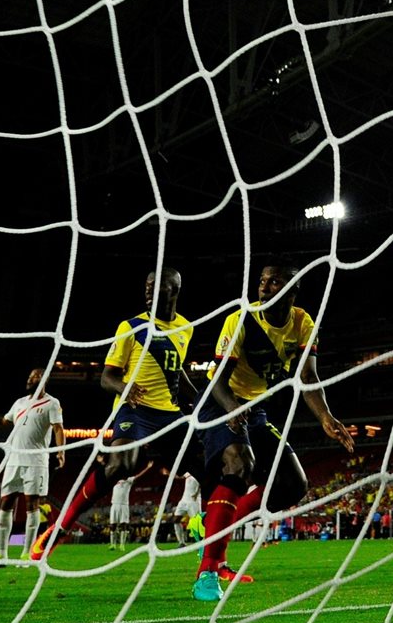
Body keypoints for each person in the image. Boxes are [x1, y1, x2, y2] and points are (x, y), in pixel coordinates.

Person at [192, 258, 355, 601]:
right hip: (220, 401)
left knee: (293, 485)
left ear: (293, 291)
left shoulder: (302, 322)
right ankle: (207, 571)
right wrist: (233, 409)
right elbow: (218, 380)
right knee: (239, 464)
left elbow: (308, 376)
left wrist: (325, 416)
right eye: (262, 281)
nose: (264, 288)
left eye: (274, 282)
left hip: (254, 408)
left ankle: (211, 520)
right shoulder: (240, 319)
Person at [30, 268, 194, 561]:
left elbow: (175, 369)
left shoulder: (186, 328)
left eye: (156, 286)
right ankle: (59, 528)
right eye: (146, 285)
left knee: (208, 468)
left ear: (174, 290)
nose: (147, 291)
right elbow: (107, 377)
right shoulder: (130, 327)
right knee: (120, 465)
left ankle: (211, 556)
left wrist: (201, 400)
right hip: (133, 410)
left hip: (169, 414)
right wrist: (125, 388)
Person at [0, 366, 65, 565]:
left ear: (43, 381)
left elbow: (58, 428)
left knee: (32, 505)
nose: (30, 379)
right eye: (30, 376)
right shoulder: (20, 403)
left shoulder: (52, 403)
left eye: (35, 377)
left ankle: (26, 554)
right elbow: (3, 423)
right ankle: (1, 554)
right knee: (5, 503)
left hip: (36, 461)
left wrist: (60, 451)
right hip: (14, 459)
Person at [109, 462, 152, 551]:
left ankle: (122, 545)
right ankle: (113, 544)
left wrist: (147, 467)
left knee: (123, 525)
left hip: (124, 505)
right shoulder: (114, 481)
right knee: (112, 525)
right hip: (114, 505)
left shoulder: (129, 480)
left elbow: (139, 476)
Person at [172, 472, 202, 546]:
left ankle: (200, 543)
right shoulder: (188, 473)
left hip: (193, 501)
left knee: (196, 523)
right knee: (175, 520)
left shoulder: (200, 472)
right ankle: (181, 542)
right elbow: (180, 476)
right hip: (184, 500)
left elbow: (203, 483)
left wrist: (196, 493)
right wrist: (169, 474)